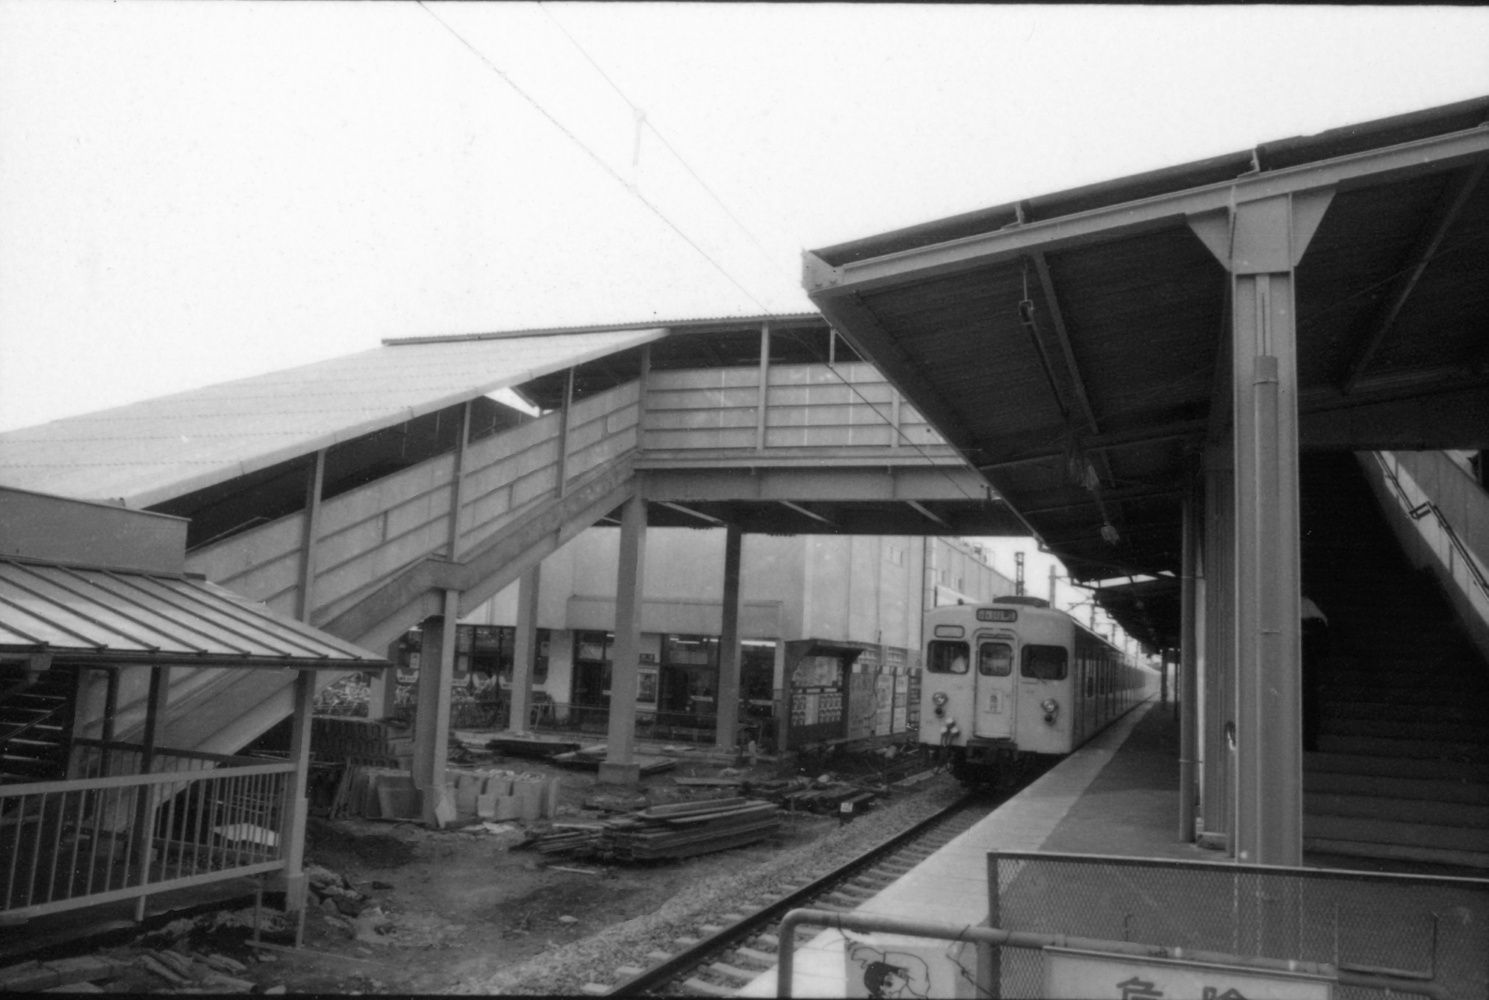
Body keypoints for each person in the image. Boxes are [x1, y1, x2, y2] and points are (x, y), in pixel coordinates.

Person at [1301, 597, 1329, 752]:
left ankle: (1308, 740)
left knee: (1309, 702)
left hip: (1307, 663)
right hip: (1304, 663)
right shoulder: (1306, 604)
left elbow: (1321, 626)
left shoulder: (1305, 603)